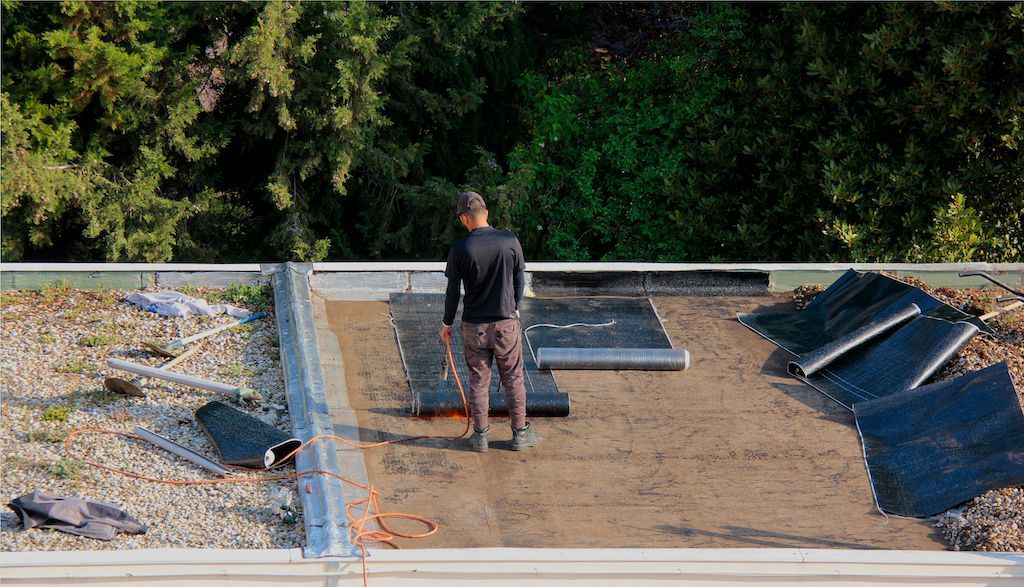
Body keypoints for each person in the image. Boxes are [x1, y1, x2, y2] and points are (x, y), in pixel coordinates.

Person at [438, 191, 541, 453]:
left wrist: (447, 324)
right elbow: (520, 279)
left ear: (464, 219)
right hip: (506, 325)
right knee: (514, 379)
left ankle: (481, 437)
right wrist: (515, 308)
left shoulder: (460, 249)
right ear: (486, 213)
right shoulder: (510, 241)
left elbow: (452, 291)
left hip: (475, 328)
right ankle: (520, 434)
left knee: (478, 381)